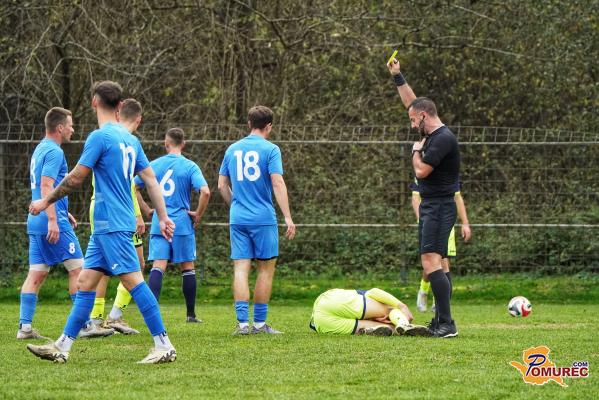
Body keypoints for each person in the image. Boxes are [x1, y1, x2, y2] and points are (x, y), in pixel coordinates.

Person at [27, 80, 177, 364]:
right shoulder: (131, 140)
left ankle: (163, 344)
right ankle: (63, 346)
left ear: (94, 102)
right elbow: (150, 181)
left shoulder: (99, 137)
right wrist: (164, 215)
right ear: (120, 106)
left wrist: (44, 202)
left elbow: (75, 178)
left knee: (133, 280)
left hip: (112, 223)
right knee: (85, 282)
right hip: (106, 227)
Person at [387, 58, 461, 338]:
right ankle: (441, 320)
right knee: (435, 263)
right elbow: (412, 103)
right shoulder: (429, 125)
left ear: (424, 118)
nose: (410, 123)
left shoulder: (441, 139)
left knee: (431, 263)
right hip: (434, 206)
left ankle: (446, 323)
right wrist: (397, 76)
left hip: (439, 206)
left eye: (412, 120)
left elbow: (421, 170)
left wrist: (415, 151)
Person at [218, 105, 296, 335]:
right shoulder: (271, 149)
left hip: (238, 218)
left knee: (241, 269)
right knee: (265, 270)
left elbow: (222, 185)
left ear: (249, 124)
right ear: (269, 126)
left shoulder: (232, 149)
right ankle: (260, 324)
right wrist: (288, 217)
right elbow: (277, 183)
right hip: (263, 218)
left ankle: (242, 324)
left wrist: (235, 204)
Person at [18, 107, 84, 340]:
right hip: (49, 220)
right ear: (59, 128)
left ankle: (24, 328)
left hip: (36, 220)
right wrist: (55, 220)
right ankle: (83, 326)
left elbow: (43, 189)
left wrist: (65, 212)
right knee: (79, 270)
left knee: (36, 274)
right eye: (70, 125)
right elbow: (47, 187)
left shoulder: (40, 149)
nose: (72, 129)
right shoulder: (55, 152)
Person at [136, 127, 210, 322]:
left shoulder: (154, 165)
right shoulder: (190, 166)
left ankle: (151, 316)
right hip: (182, 223)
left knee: (158, 266)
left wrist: (146, 210)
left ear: (166, 144)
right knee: (187, 267)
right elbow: (206, 191)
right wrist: (198, 214)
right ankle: (191, 314)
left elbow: (134, 186)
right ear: (183, 144)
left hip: (159, 221)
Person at [87, 98, 148, 335]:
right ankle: (113, 316)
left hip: (103, 210)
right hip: (118, 213)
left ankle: (95, 319)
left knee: (101, 267)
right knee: (134, 267)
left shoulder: (109, 138)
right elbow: (129, 185)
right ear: (139, 119)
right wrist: (137, 214)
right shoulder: (122, 141)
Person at [411, 179, 471, 312]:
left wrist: (465, 223)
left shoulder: (449, 172)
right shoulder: (423, 171)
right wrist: (422, 220)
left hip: (445, 221)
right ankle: (423, 291)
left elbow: (457, 197)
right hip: (428, 221)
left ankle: (439, 303)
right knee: (430, 262)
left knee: (444, 263)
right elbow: (415, 199)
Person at [310, 288, 430, 336]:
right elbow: (373, 291)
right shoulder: (365, 294)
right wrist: (402, 306)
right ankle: (403, 323)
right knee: (390, 310)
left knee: (388, 328)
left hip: (320, 323)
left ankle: (371, 331)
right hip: (335, 301)